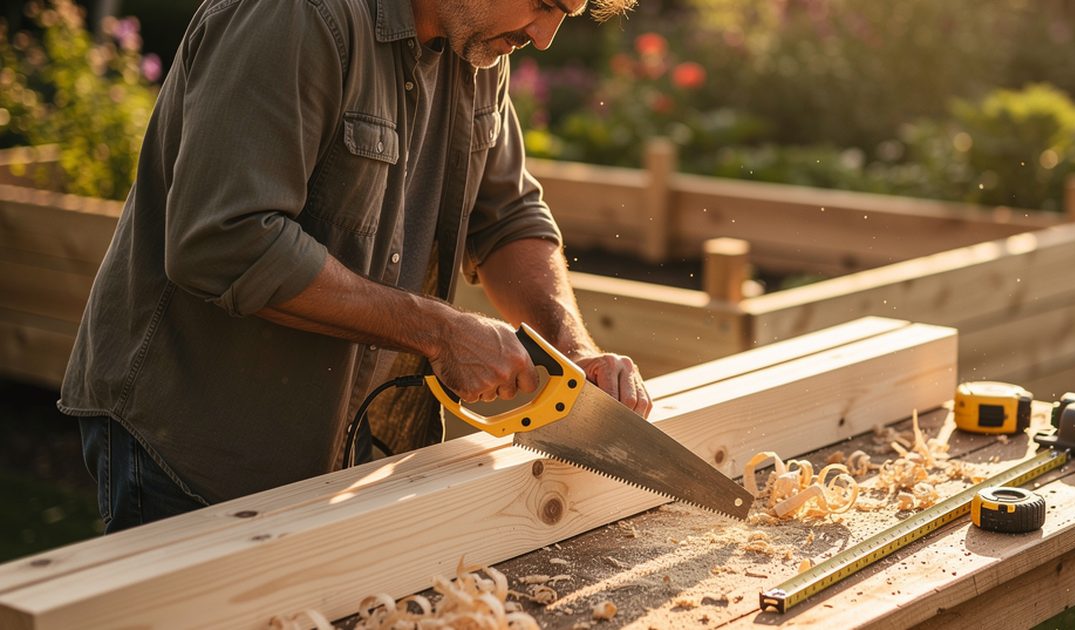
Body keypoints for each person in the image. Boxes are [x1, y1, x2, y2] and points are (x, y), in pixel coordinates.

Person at [58, 0, 650, 534]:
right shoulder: (296, 17)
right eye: (545, 4)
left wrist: (572, 351)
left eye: (565, 15)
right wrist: (439, 331)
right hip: (198, 441)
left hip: (334, 443)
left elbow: (508, 217)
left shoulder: (476, 43)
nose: (545, 37)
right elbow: (224, 240)